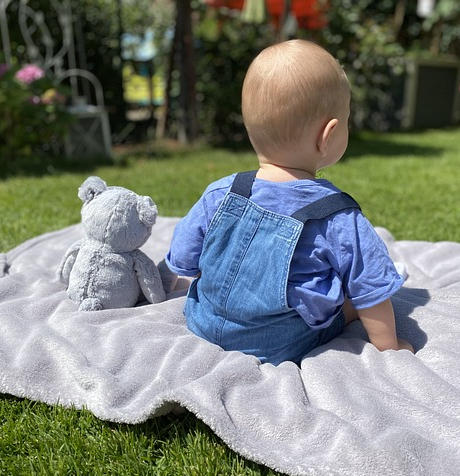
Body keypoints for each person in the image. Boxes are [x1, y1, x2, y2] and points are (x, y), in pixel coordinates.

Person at [165, 39, 414, 365]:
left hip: (204, 323)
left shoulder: (222, 192)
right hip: (282, 343)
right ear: (328, 136)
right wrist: (390, 346)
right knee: (349, 300)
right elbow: (373, 289)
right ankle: (345, 313)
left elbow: (182, 261)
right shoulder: (337, 216)